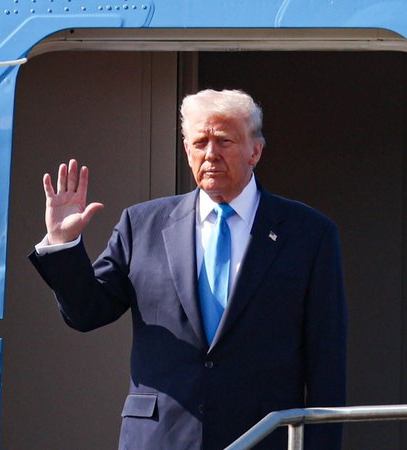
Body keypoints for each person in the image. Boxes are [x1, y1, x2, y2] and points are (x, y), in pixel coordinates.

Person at [29, 88, 347, 449]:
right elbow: (87, 312)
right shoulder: (142, 224)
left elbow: (327, 361)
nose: (210, 154)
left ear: (254, 150)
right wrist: (63, 244)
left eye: (225, 141)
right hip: (161, 437)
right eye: (200, 142)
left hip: (263, 437)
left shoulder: (308, 233)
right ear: (186, 151)